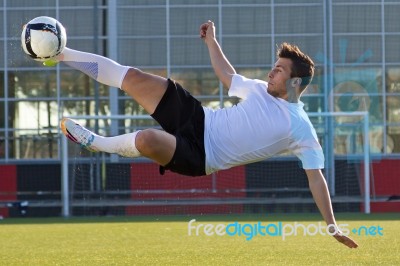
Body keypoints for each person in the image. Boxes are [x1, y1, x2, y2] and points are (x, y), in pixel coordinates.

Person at [54, 21, 358, 248]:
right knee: (134, 77)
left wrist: (331, 226)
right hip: (198, 118)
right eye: (274, 66)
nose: (271, 72)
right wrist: (212, 41)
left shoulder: (302, 128)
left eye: (279, 70)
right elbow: (227, 76)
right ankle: (61, 52)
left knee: (147, 139)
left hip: (201, 157)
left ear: (294, 83)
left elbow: (315, 177)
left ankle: (96, 144)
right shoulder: (257, 89)